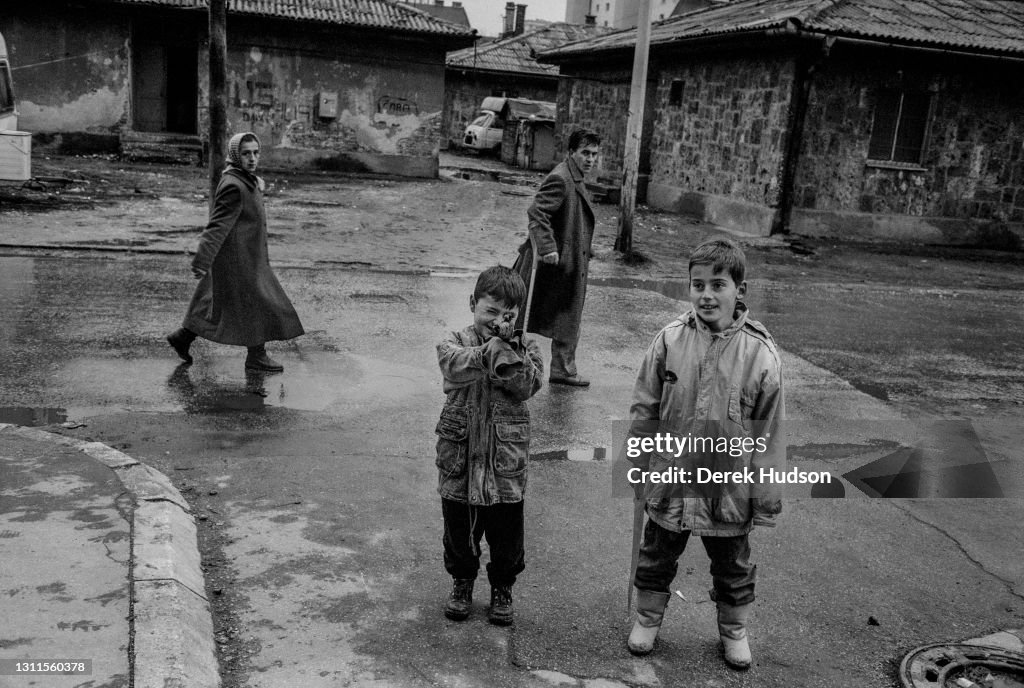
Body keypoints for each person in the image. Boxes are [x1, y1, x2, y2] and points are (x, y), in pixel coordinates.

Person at [624, 238, 785, 669]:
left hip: (728, 488)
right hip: (670, 478)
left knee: (733, 566)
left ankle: (734, 630)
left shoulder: (761, 355)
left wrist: (765, 497)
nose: (707, 295)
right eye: (698, 285)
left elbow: (768, 436)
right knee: (656, 553)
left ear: (740, 290)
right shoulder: (669, 340)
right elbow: (645, 407)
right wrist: (637, 465)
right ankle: (647, 618)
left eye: (718, 284)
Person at [435, 265, 544, 626]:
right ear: (472, 304)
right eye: (491, 311)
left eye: (508, 315)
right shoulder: (454, 340)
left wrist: (510, 351)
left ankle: (503, 587)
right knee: (459, 536)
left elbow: (529, 386)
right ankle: (462, 581)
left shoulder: (526, 346)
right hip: (460, 463)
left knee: (507, 539)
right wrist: (485, 354)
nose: (498, 320)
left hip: (504, 467)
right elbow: (451, 367)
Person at [166, 132, 304, 372]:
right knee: (260, 302)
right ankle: (257, 356)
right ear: (235, 156)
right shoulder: (233, 185)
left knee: (214, 301)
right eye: (245, 153)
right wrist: (202, 259)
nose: (252, 158)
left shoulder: (245, 180)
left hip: (247, 257)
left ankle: (182, 337)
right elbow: (217, 225)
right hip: (238, 261)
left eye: (255, 153)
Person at [514, 128, 601, 388]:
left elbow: (572, 220)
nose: (590, 159)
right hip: (553, 263)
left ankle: (563, 369)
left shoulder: (575, 178)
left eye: (594, 154)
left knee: (568, 316)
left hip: (569, 260)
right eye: (585, 153)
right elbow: (537, 212)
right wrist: (548, 247)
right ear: (571, 152)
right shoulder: (562, 178)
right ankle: (509, 364)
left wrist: (585, 249)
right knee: (525, 315)